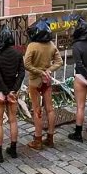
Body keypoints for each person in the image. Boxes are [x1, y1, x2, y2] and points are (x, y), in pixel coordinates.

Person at [23, 20, 63, 149]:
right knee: (50, 109)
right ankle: (50, 138)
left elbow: (26, 64)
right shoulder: (51, 45)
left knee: (37, 111)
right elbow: (59, 62)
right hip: (47, 80)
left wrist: (39, 72)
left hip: (35, 80)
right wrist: (48, 71)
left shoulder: (32, 46)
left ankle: (38, 140)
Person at [0, 25, 24, 162]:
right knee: (13, 120)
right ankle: (13, 149)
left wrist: (5, 92)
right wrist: (13, 90)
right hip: (13, 91)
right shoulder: (18, 54)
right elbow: (21, 73)